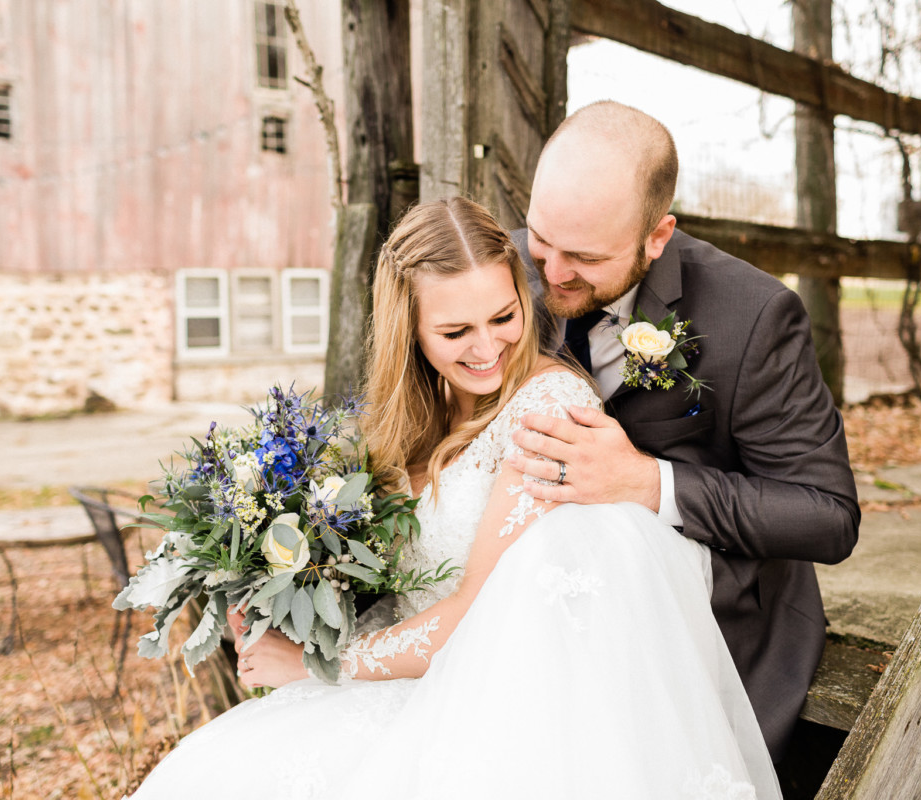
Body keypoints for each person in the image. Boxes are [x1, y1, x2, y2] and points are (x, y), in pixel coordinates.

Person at [128, 197, 782, 799]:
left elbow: (474, 613)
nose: (487, 347)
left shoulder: (549, 411)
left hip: (487, 702)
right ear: (409, 330)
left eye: (504, 316)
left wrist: (314, 664)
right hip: (405, 678)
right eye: (454, 331)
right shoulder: (408, 419)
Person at [506, 100, 861, 761]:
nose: (549, 274)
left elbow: (827, 515)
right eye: (541, 238)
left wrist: (647, 483)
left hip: (705, 621)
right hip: (528, 604)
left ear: (657, 237)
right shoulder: (502, 269)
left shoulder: (753, 316)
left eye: (583, 256)